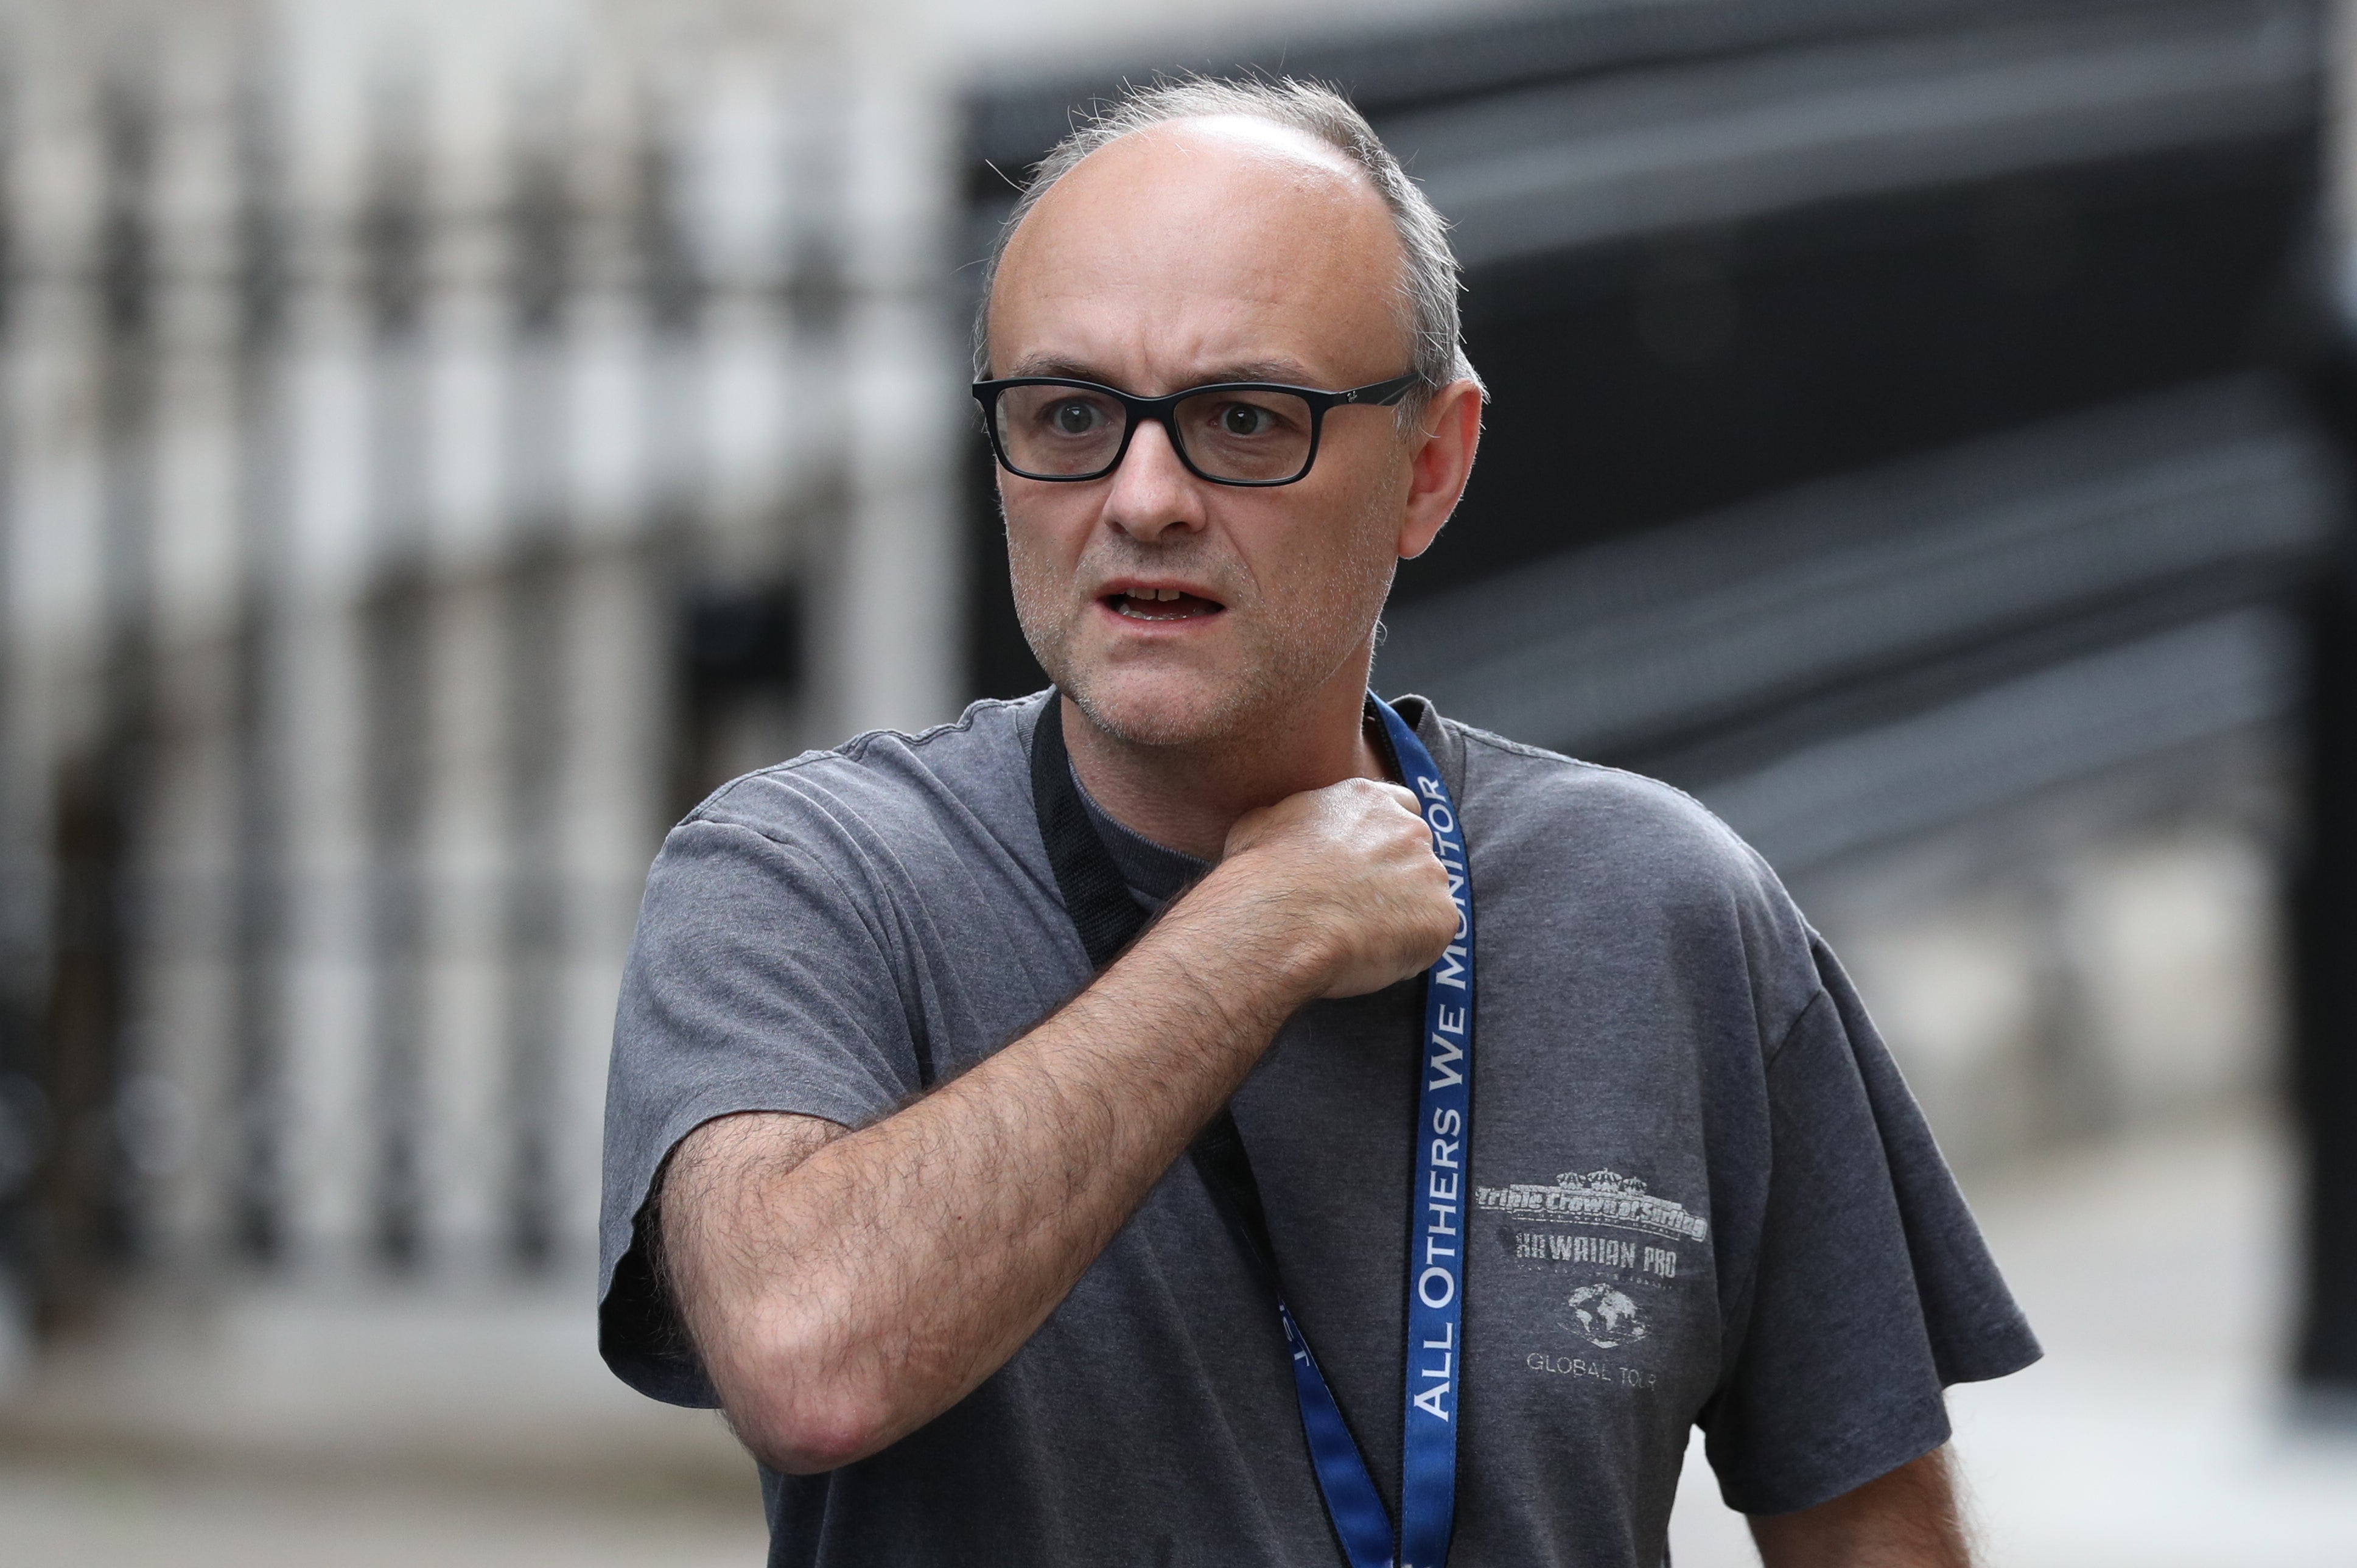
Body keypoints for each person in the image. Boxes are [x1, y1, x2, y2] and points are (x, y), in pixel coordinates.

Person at [598, 76, 2039, 1568]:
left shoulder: (1659, 908)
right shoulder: (803, 881)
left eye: (1242, 419)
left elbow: (1872, 1527)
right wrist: (1252, 934)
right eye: (1071, 415)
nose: (1143, 496)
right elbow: (807, 1357)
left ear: (1431, 464)